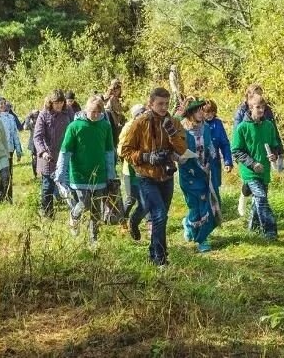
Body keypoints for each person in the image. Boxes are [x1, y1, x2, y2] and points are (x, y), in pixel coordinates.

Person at [119, 87, 188, 267]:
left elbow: (182, 149)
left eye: (166, 104)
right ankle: (161, 259)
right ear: (151, 103)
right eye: (160, 104)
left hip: (166, 176)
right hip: (146, 176)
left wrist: (172, 133)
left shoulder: (173, 122)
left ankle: (152, 252)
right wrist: (146, 157)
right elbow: (125, 150)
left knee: (160, 217)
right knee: (159, 216)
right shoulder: (139, 123)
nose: (164, 107)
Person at [56, 94, 117, 244]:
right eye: (92, 111)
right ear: (85, 109)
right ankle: (74, 216)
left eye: (98, 112)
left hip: (99, 174)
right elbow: (65, 152)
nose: (95, 115)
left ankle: (93, 239)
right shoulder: (75, 127)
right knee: (85, 203)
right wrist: (60, 175)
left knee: (97, 209)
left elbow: (109, 152)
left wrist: (111, 174)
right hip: (80, 174)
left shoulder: (105, 126)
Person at [231, 93, 280, 240]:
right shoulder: (242, 128)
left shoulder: (269, 125)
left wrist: (274, 155)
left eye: (263, 107)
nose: (261, 110)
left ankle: (253, 228)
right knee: (261, 198)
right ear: (250, 108)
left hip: (264, 171)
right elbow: (236, 151)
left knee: (257, 201)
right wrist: (252, 164)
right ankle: (270, 232)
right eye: (258, 107)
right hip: (250, 172)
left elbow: (274, 145)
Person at [178, 98, 218, 253]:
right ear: (190, 114)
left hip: (204, 172)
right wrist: (180, 157)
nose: (201, 113)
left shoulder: (206, 128)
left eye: (202, 110)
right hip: (188, 174)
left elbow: (210, 146)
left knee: (204, 206)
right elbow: (176, 149)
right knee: (194, 207)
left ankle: (202, 238)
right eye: (197, 110)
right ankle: (189, 223)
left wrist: (213, 155)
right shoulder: (182, 130)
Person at [33, 90, 73, 218]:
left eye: (61, 102)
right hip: (48, 156)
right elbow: (38, 137)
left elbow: (75, 128)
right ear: (51, 102)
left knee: (69, 183)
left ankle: (75, 212)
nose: (59, 106)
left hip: (65, 153)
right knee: (48, 186)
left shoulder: (68, 112)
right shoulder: (44, 115)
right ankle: (47, 214)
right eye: (56, 103)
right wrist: (43, 152)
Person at [117, 104, 148, 241]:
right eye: (141, 113)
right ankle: (122, 221)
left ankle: (139, 222)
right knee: (131, 199)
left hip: (144, 169)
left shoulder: (148, 125)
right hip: (130, 170)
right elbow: (120, 149)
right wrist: (134, 155)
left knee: (145, 200)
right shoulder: (129, 127)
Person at [202, 100, 232, 203]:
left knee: (214, 186)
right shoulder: (198, 124)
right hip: (201, 161)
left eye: (212, 112)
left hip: (214, 161)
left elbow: (224, 144)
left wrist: (227, 161)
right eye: (207, 112)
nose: (210, 115)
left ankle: (217, 211)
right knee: (202, 188)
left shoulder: (218, 124)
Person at [0, 97, 23, 162]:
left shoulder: (11, 117)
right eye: (1, 103)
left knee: (9, 170)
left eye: (4, 103)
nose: (3, 105)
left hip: (10, 148)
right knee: (3, 170)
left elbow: (15, 134)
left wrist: (18, 150)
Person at [102, 79, 127, 148]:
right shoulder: (113, 98)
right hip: (113, 120)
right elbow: (118, 110)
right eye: (118, 89)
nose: (119, 91)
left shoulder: (106, 96)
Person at [23, 109, 41, 180]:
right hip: (33, 143)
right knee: (34, 159)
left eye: (37, 116)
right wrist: (28, 118)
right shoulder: (31, 124)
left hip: (41, 142)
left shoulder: (41, 122)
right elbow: (25, 127)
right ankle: (35, 174)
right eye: (34, 117)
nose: (35, 118)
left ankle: (40, 173)